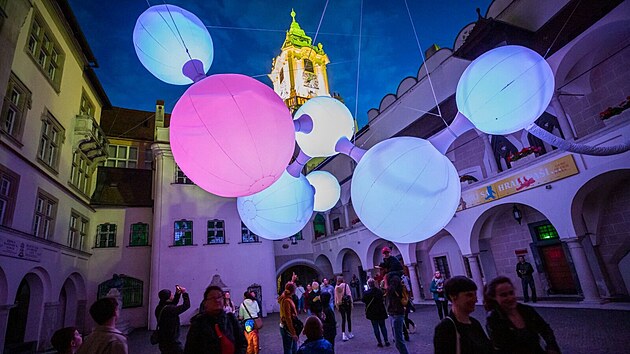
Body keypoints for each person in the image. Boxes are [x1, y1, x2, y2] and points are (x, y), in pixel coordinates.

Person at [484, 276, 561, 354]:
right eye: (503, 295)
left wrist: (551, 347)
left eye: (511, 293)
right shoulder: (493, 320)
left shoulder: (526, 310)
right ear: (494, 297)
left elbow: (545, 329)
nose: (510, 298)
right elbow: (503, 349)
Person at [433, 276, 493, 354]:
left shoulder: (474, 323)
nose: (475, 300)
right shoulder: (445, 328)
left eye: (475, 295)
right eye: (469, 295)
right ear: (453, 296)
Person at [184, 286, 246, 354]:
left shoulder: (231, 319)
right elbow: (190, 350)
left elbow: (242, 343)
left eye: (219, 297)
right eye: (212, 298)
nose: (217, 300)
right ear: (205, 303)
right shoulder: (198, 324)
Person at [155, 285, 191, 354]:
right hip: (172, 341)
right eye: (171, 295)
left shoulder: (159, 307)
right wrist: (184, 293)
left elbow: (173, 304)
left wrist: (178, 294)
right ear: (168, 299)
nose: (172, 295)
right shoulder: (170, 310)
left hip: (163, 338)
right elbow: (186, 305)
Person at [362, 278, 390, 348]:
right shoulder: (379, 291)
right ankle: (386, 341)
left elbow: (363, 300)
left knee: (375, 327)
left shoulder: (366, 293)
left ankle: (379, 342)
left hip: (372, 312)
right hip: (380, 311)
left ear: (368, 284)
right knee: (383, 326)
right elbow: (383, 298)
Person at [385, 275, 409, 354]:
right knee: (398, 337)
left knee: (398, 340)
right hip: (398, 313)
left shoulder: (391, 290)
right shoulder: (400, 288)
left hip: (395, 313)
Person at [278, 282, 300, 354]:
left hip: (286, 327)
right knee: (289, 349)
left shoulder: (284, 297)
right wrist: (293, 333)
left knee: (292, 347)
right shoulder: (286, 301)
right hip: (287, 328)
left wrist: (292, 281)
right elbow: (288, 318)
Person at [334, 276, 354, 341]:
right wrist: (351, 303)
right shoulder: (346, 285)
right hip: (347, 304)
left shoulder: (336, 287)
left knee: (343, 319)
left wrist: (337, 305)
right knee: (348, 318)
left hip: (340, 304)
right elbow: (349, 294)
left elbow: (335, 297)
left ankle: (343, 334)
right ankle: (350, 333)